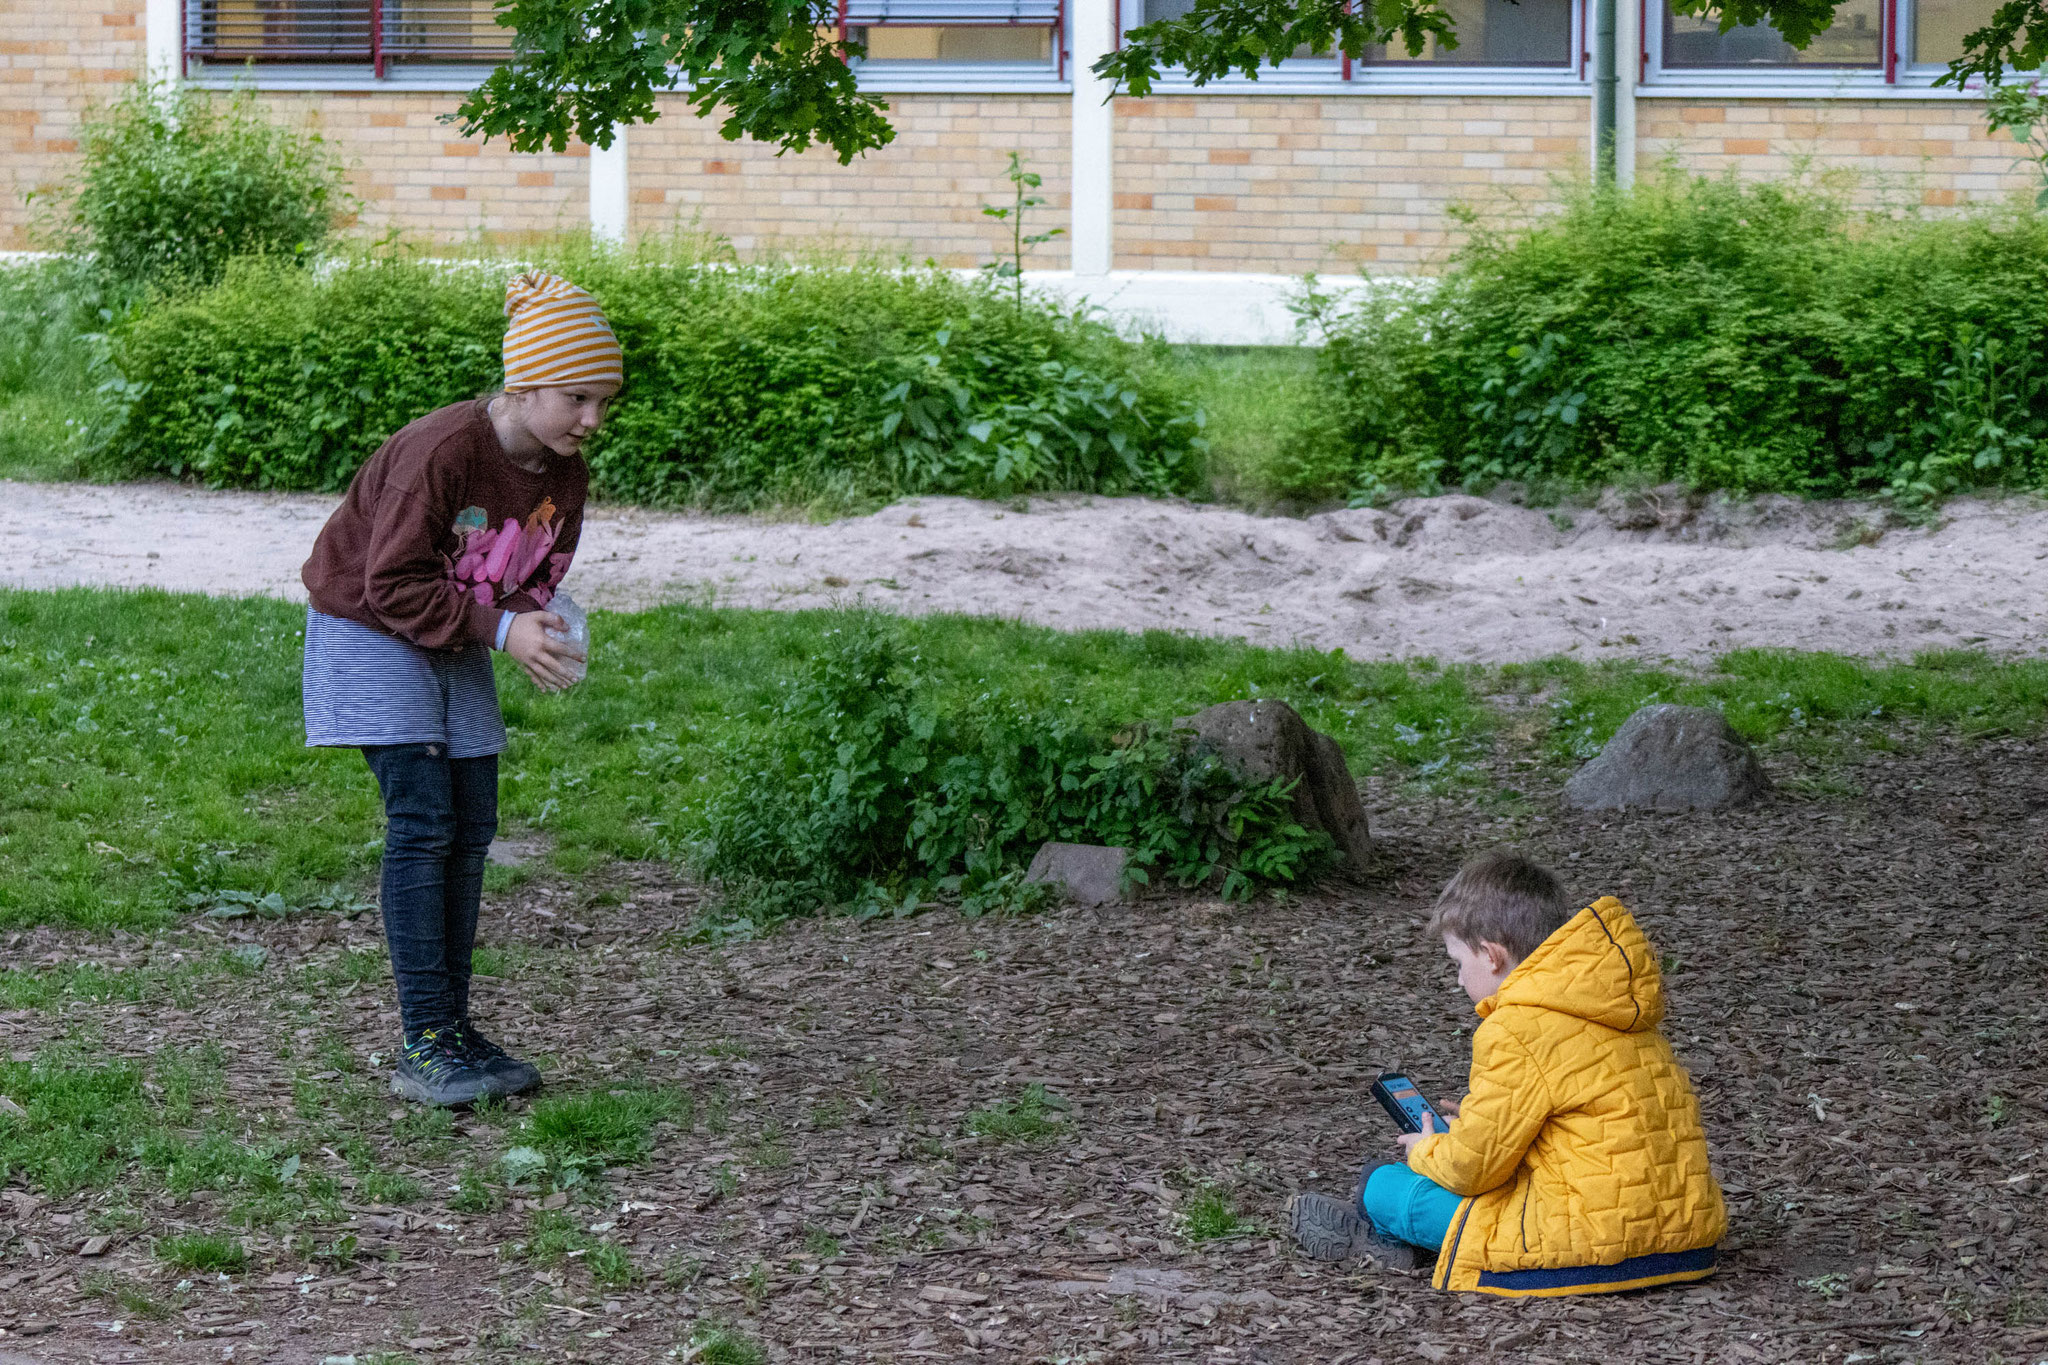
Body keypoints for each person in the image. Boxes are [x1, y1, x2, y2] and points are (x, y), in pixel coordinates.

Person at [299, 270, 620, 1106]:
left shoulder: (563, 472)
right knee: (424, 821)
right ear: (525, 382)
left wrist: (541, 623)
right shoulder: (443, 450)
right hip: (370, 625)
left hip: (456, 629)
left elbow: (530, 576)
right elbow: (391, 582)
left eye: (604, 403)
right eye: (578, 397)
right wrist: (503, 629)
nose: (593, 420)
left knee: (472, 821)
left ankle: (454, 1027)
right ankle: (424, 1041)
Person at [1288, 851, 1726, 1296]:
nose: (1459, 980)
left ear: (1492, 956)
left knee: (1380, 1184)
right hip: (1688, 1242)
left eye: (1458, 963)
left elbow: (1472, 1170)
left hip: (1590, 1250)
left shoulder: (1514, 1027)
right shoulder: (1623, 1015)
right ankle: (1397, 1240)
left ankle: (1378, 1238)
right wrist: (1489, 1122)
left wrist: (1426, 1148)